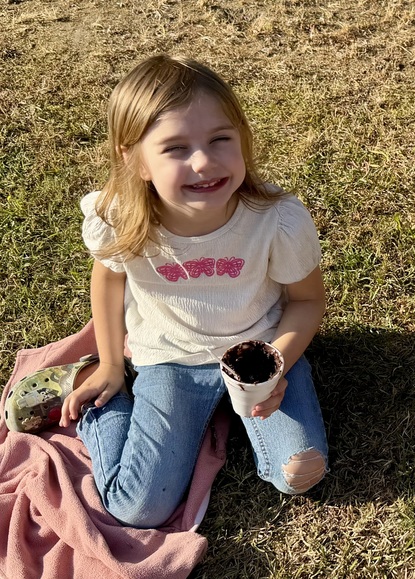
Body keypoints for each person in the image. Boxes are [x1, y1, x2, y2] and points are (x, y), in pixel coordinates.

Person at [5, 55, 329, 527]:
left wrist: (276, 365)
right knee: (139, 508)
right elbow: (109, 276)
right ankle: (92, 387)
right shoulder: (123, 217)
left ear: (243, 138)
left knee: (299, 473)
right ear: (133, 158)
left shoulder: (276, 220)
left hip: (259, 350)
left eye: (221, 139)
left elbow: (306, 300)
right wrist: (114, 364)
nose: (203, 161)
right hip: (170, 359)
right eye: (175, 148)